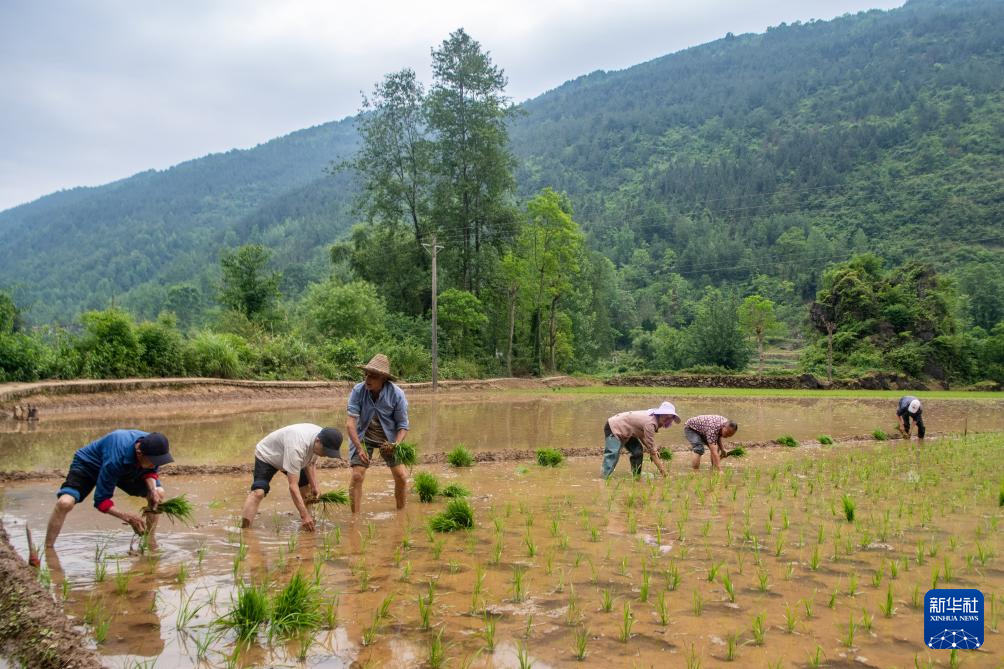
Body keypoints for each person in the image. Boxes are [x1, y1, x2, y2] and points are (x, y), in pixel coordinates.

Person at [45, 429, 173, 548]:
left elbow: (150, 471)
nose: (156, 464)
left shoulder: (153, 446)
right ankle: (48, 549)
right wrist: (128, 517)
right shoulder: (116, 459)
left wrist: (152, 490)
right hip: (88, 465)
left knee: (158, 493)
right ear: (139, 453)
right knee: (64, 503)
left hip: (126, 468)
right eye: (153, 461)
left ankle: (149, 540)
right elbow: (101, 501)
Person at [240, 423, 343, 531]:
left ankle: (309, 523)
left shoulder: (323, 436)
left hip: (290, 455)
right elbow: (293, 486)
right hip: (268, 455)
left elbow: (310, 463)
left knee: (306, 490)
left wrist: (314, 486)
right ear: (317, 441)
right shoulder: (297, 447)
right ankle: (245, 531)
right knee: (259, 492)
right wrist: (304, 516)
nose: (326, 454)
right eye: (325, 451)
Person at [346, 353, 410, 513]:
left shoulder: (397, 394)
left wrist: (395, 444)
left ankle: (400, 514)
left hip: (388, 439)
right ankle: (355, 518)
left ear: (383, 379)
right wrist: (359, 448)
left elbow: (403, 425)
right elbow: (350, 424)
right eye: (366, 375)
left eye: (373, 376)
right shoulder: (358, 390)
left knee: (401, 476)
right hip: (363, 437)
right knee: (357, 476)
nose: (367, 379)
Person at [601, 401, 680, 479]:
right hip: (614, 426)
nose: (667, 419)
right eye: (665, 415)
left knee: (637, 451)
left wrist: (654, 449)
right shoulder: (650, 423)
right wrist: (665, 474)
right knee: (613, 453)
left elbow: (643, 436)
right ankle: (604, 478)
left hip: (628, 431)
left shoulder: (653, 418)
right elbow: (652, 453)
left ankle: (636, 476)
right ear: (660, 414)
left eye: (670, 417)